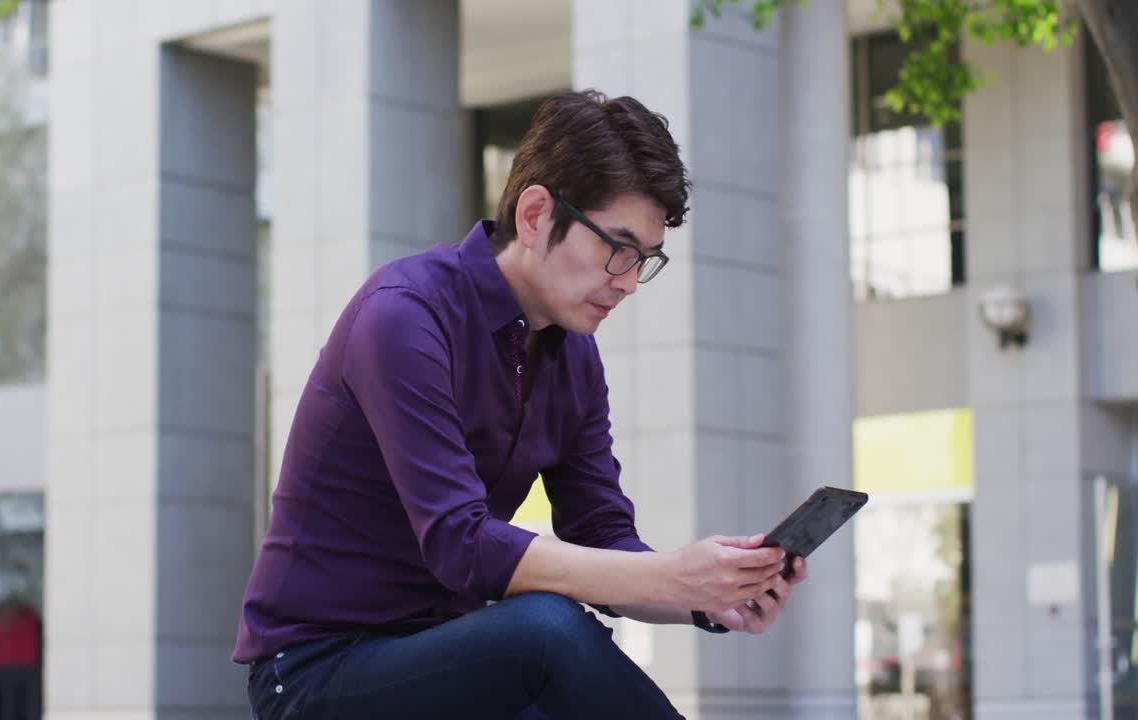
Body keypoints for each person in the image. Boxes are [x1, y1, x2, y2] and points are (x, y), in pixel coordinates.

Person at [234, 89, 807, 720]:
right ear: (535, 215)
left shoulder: (575, 356)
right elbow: (461, 543)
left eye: (644, 260)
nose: (626, 279)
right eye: (617, 247)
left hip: (450, 660)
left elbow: (601, 535)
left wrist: (706, 600)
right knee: (546, 629)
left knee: (551, 650)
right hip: (317, 672)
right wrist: (674, 575)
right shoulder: (404, 314)